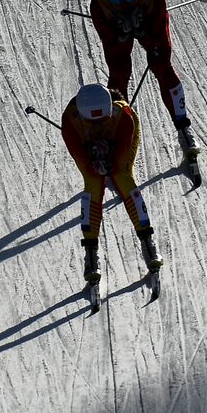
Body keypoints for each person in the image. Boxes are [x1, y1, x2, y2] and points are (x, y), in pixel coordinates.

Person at [89, 0, 200, 159]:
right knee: (118, 74)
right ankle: (114, 130)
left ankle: (183, 127)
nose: (125, 3)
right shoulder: (99, 5)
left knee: (162, 67)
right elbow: (109, 41)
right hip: (117, 32)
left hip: (150, 25)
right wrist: (119, 34)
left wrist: (145, 32)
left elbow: (160, 37)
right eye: (118, 0)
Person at [61, 83, 162, 282]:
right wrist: (92, 162)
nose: (98, 128)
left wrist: (110, 160)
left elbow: (119, 156)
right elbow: (85, 163)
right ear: (81, 117)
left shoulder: (124, 116)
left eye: (103, 121)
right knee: (93, 182)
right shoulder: (69, 123)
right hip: (86, 145)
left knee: (122, 176)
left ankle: (147, 240)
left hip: (119, 138)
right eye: (92, 123)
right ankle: (90, 252)